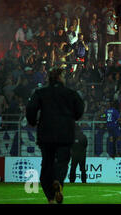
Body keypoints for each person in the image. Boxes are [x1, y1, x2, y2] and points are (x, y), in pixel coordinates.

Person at [26, 67, 85, 204]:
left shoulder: (40, 93)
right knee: (63, 162)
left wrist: (32, 121)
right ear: (59, 78)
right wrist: (73, 117)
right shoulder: (71, 93)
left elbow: (30, 108)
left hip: (46, 134)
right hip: (65, 134)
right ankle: (58, 181)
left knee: (47, 164)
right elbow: (80, 110)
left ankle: (50, 198)